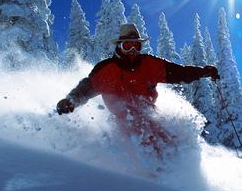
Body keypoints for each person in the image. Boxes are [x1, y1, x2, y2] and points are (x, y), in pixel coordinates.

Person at [57, 23, 219, 153]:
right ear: (119, 46)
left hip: (150, 116)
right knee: (145, 144)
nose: (133, 51)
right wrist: (71, 101)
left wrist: (204, 72)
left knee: (172, 144)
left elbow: (180, 73)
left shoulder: (150, 64)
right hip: (124, 123)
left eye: (137, 46)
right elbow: (86, 88)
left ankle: (182, 170)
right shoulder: (107, 69)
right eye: (128, 46)